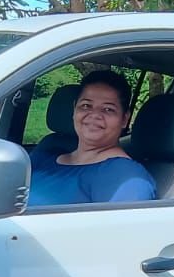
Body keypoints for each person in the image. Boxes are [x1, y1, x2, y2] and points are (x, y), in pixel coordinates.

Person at [26, 70, 156, 207]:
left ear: (124, 118)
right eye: (86, 106)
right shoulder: (41, 157)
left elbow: (121, 227)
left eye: (108, 109)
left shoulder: (127, 178)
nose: (94, 115)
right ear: (74, 109)